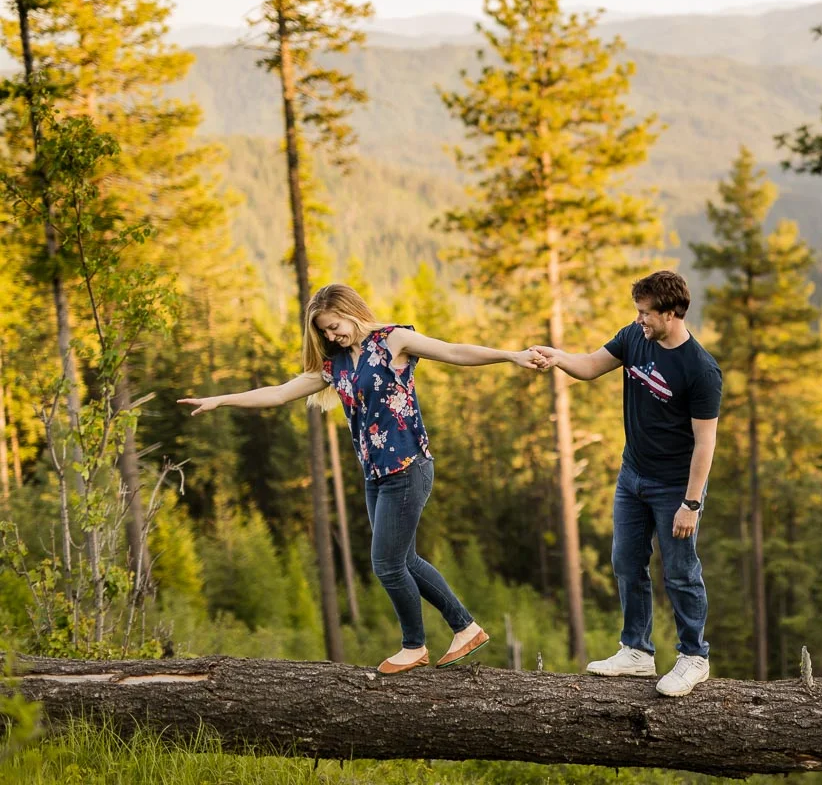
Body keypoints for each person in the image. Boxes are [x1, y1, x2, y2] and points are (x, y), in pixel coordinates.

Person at [179, 283, 541, 674]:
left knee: (386, 564)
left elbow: (454, 351)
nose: (331, 336)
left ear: (351, 312)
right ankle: (465, 628)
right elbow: (280, 393)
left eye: (334, 326)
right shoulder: (335, 367)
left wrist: (511, 356)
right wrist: (221, 400)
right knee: (405, 559)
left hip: (408, 465)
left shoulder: (394, 341)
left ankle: (414, 646)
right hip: (376, 475)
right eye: (324, 332)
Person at [532, 270, 722, 697]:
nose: (639, 320)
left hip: (676, 487)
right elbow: (590, 366)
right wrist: (557, 356)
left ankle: (694, 657)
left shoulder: (700, 370)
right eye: (637, 312)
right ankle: (636, 651)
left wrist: (691, 504)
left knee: (680, 572)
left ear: (671, 314)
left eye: (646, 314)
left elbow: (705, 443)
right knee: (626, 562)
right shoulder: (634, 338)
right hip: (632, 475)